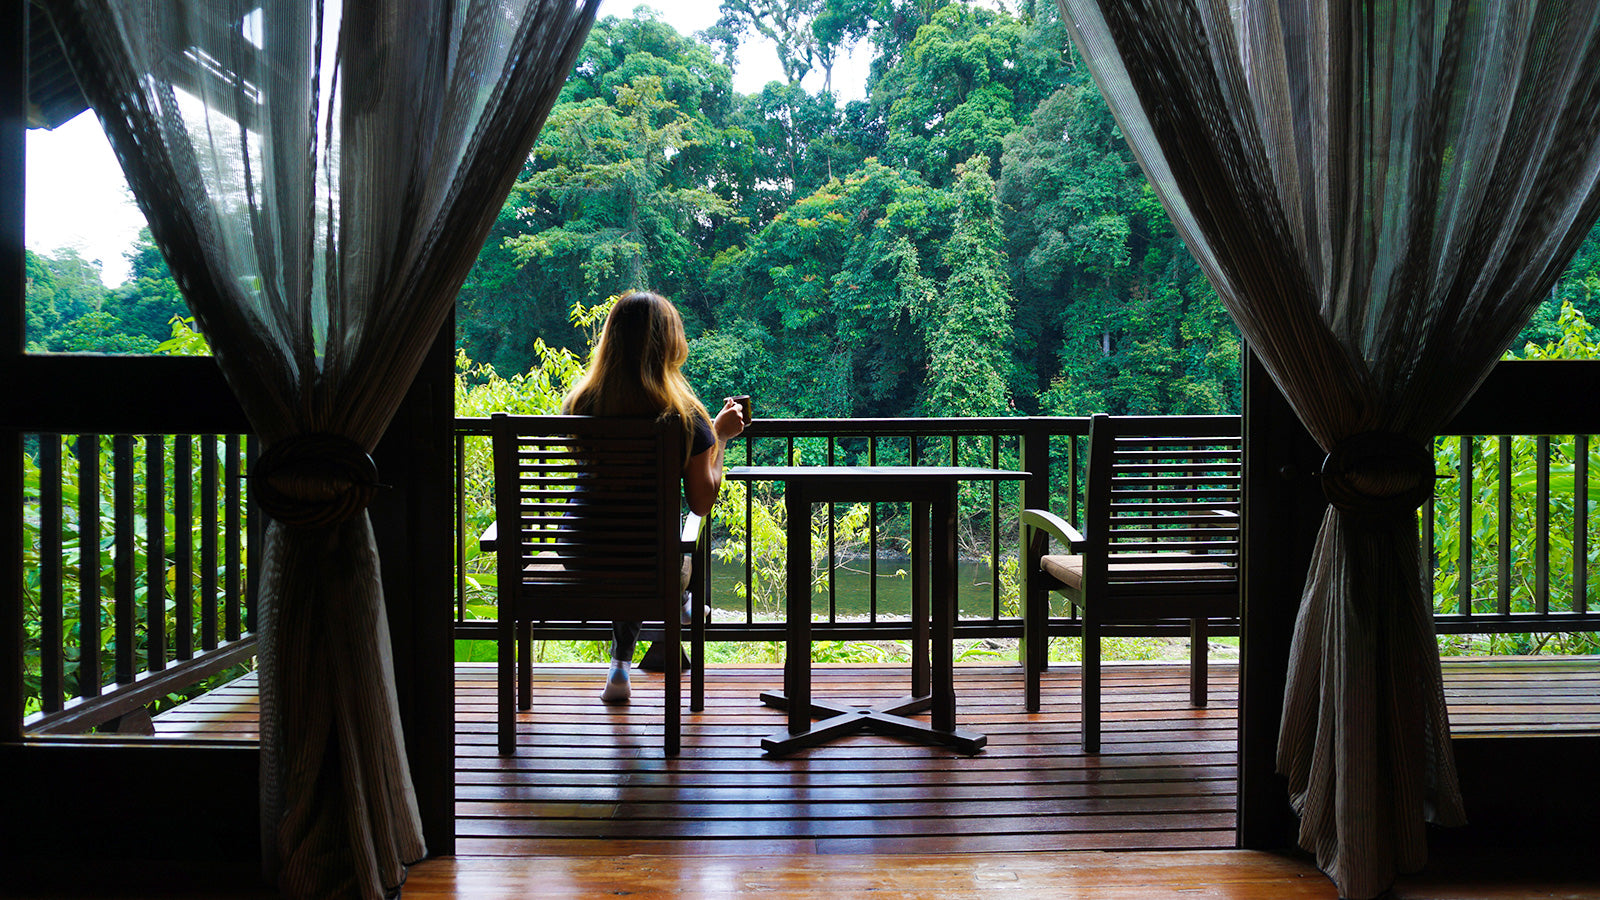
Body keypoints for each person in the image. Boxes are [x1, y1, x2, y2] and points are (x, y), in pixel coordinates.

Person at [561, 290, 747, 703]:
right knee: (652, 552)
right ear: (671, 343)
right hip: (647, 564)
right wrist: (719, 437)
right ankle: (681, 601)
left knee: (624, 545)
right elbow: (701, 503)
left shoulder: (579, 403)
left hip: (579, 555)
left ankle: (620, 667)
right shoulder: (683, 417)